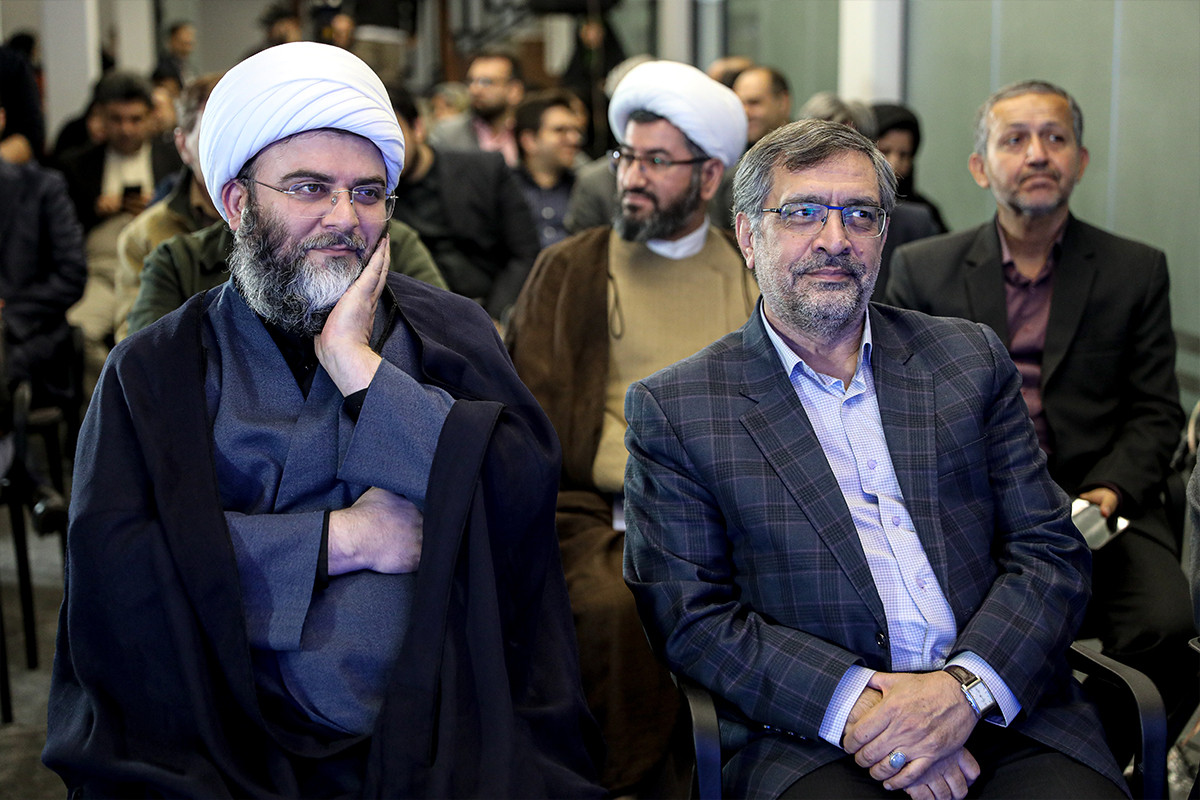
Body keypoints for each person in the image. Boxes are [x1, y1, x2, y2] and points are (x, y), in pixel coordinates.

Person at [43, 42, 601, 798]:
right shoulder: (155, 368)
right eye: (310, 188)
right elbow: (117, 569)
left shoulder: (453, 331)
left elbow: (516, 501)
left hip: (443, 729)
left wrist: (357, 366)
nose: (344, 218)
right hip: (221, 734)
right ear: (237, 202)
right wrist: (340, 540)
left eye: (368, 193)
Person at [623, 118, 1128, 799]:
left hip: (1001, 708)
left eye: (860, 214)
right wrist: (871, 712)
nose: (835, 239)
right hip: (812, 733)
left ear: (883, 235)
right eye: (802, 212)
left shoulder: (966, 359)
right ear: (747, 234)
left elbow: (1049, 548)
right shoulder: (679, 408)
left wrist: (961, 692)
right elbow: (691, 616)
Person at [885, 79, 1198, 750]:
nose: (1036, 153)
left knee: (1170, 627)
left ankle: (1093, 758)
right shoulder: (923, 270)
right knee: (946, 632)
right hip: (970, 506)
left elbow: (1154, 411)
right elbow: (901, 409)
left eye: (1055, 138)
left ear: (1079, 161)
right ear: (980, 167)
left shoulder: (1135, 270)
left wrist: (1109, 492)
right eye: (1015, 139)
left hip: (1099, 504)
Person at [507, 59, 757, 796]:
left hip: (727, 516)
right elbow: (529, 410)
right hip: (595, 512)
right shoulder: (571, 268)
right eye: (626, 157)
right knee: (615, 607)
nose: (632, 178)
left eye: (656, 162)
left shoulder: (752, 274)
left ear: (708, 178)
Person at [0, 88, 85, 529]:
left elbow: (72, 274)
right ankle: (28, 479)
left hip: (29, 336)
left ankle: (24, 475)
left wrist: (7, 315)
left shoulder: (41, 188)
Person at [387, 84, 538, 325]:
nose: (386, 149)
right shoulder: (377, 197)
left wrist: (495, 317)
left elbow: (525, 252)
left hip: (493, 307)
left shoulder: (485, 170)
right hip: (424, 319)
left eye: (392, 134)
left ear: (418, 128)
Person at [113, 72, 223, 341]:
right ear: (183, 145)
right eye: (211, 135)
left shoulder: (280, 219)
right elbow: (135, 344)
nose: (229, 149)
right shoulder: (143, 235)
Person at [429, 48, 525, 167]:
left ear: (514, 91)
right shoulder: (448, 135)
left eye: (486, 82)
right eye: (471, 81)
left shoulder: (529, 134)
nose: (475, 90)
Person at [513, 90, 584, 249]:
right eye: (560, 130)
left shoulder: (583, 188)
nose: (574, 139)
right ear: (529, 141)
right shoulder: (505, 189)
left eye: (576, 131)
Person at [733, 65, 791, 146]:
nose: (745, 112)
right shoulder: (732, 149)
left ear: (782, 102)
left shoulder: (805, 148)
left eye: (754, 103)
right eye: (740, 104)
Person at [152, 21, 196, 93]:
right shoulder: (164, 69)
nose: (189, 39)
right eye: (185, 35)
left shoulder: (189, 67)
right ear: (172, 40)